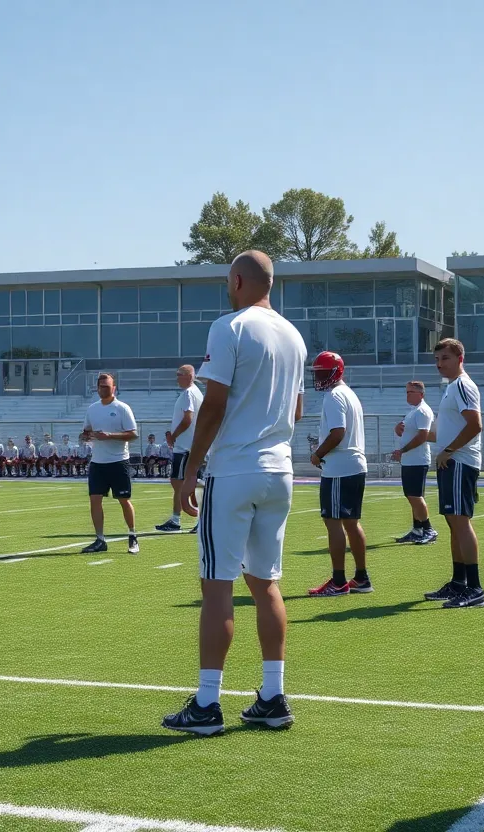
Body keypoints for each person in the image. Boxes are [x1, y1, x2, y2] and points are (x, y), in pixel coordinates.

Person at [162, 250, 306, 736]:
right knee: (265, 583)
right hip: (280, 469)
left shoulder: (230, 327)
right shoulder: (295, 336)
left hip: (235, 470)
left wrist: (191, 469)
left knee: (216, 584)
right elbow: (298, 411)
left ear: (238, 280)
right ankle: (273, 694)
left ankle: (207, 703)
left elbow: (214, 404)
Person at [422, 338, 484, 609]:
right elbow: (445, 429)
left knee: (460, 523)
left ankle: (475, 588)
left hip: (459, 461)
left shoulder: (462, 385)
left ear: (459, 358)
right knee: (453, 524)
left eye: (444, 358)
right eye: (436, 360)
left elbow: (475, 425)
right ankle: (459, 583)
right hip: (451, 461)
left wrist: (448, 450)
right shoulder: (451, 387)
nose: (439, 364)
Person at [306, 352, 372, 597]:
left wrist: (317, 454)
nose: (320, 377)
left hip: (339, 469)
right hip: (354, 466)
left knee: (333, 523)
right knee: (351, 524)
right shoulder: (349, 394)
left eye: (323, 372)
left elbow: (338, 432)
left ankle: (338, 580)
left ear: (336, 372)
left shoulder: (334, 396)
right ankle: (361, 577)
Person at [80, 373, 140, 555]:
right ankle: (100, 539)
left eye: (106, 386)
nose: (103, 389)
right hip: (98, 462)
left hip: (118, 461)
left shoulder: (122, 408)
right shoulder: (92, 409)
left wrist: (110, 436)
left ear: (114, 388)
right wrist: (85, 436)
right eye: (100, 386)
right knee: (95, 500)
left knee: (124, 500)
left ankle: (132, 535)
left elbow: (133, 434)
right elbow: (85, 432)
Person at [157, 366, 204, 533]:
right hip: (189, 445)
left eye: (179, 375)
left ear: (188, 376)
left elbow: (187, 419)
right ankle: (182, 518)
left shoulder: (189, 393)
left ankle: (181, 519)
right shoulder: (195, 392)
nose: (177, 378)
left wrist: (173, 436)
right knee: (182, 483)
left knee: (181, 482)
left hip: (185, 446)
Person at [392, 382, 437, 544]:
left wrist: (402, 450)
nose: (407, 395)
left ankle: (428, 529)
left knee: (415, 496)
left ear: (421, 394)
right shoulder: (413, 411)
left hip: (417, 460)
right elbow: (407, 431)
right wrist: (397, 429)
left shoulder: (423, 411)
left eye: (411, 392)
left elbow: (422, 436)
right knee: (412, 496)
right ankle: (417, 529)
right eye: (406, 392)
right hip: (410, 461)